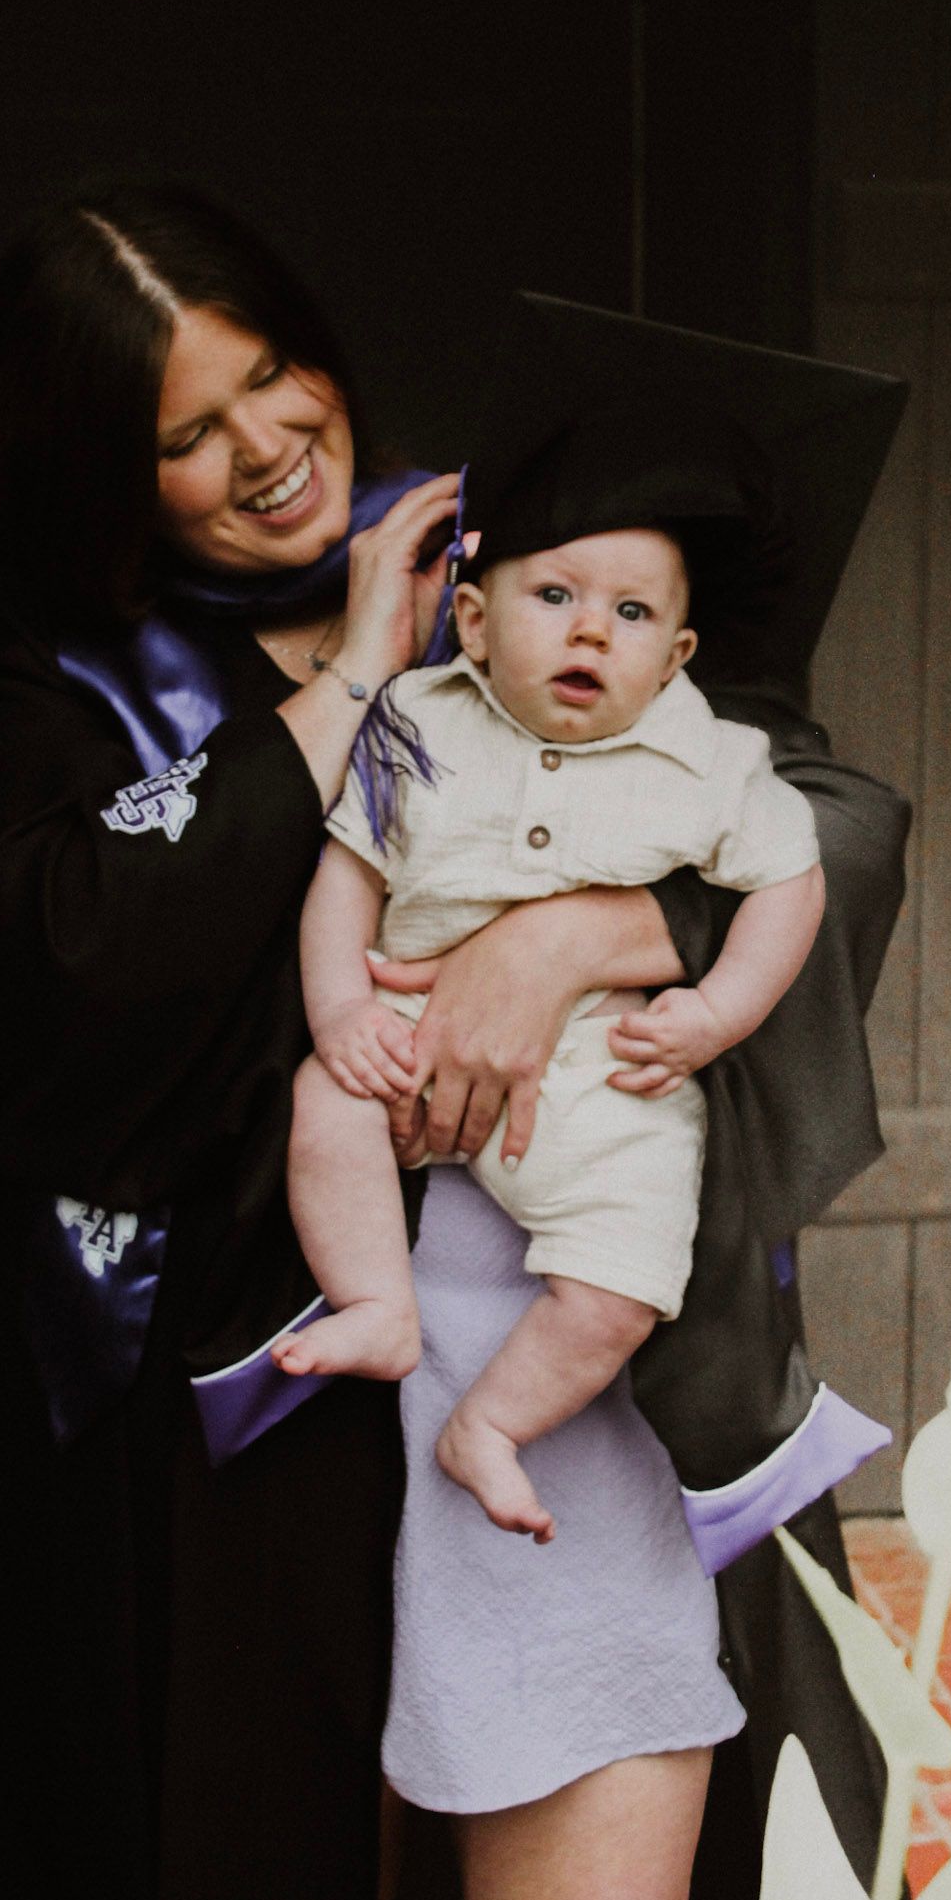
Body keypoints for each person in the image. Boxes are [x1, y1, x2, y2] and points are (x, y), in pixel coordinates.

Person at [0, 187, 905, 1900]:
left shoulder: (506, 555)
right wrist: (354, 669)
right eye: (185, 434)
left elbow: (814, 813)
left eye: (275, 374)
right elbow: (70, 962)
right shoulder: (13, 652)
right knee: (254, 1853)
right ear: (92, 467)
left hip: (531, 1342)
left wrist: (571, 937)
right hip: (229, 1393)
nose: (269, 446)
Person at [282, 513, 824, 1547]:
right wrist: (344, 1014)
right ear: (474, 624)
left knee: (627, 1278)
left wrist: (718, 1011)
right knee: (325, 1096)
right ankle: (376, 1302)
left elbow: (790, 880)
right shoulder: (418, 718)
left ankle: (489, 1423)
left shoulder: (708, 758)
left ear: (675, 659)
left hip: (603, 1069)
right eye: (556, 598)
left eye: (631, 614)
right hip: (410, 1015)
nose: (591, 634)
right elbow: (344, 875)